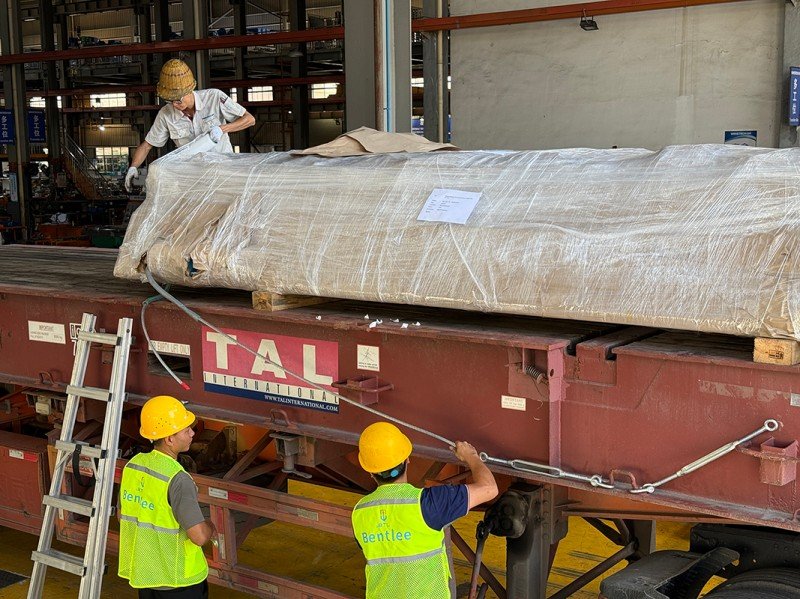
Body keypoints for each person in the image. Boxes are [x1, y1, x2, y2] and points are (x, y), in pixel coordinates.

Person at [351, 422, 498, 599]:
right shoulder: (428, 503)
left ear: (370, 471)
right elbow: (489, 488)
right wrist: (471, 456)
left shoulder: (360, 512)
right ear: (407, 459)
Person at [118, 395, 216, 598]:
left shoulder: (133, 466)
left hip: (146, 577)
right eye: (186, 429)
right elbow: (198, 536)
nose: (192, 433)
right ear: (169, 438)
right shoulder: (178, 479)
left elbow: (123, 515)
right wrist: (211, 527)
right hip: (179, 581)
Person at [124, 58, 255, 192]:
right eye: (170, 101)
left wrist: (222, 129)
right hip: (192, 178)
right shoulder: (166, 114)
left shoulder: (214, 97)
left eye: (178, 100)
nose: (175, 105)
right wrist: (133, 167)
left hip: (224, 172)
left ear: (189, 91)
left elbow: (249, 119)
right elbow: (146, 146)